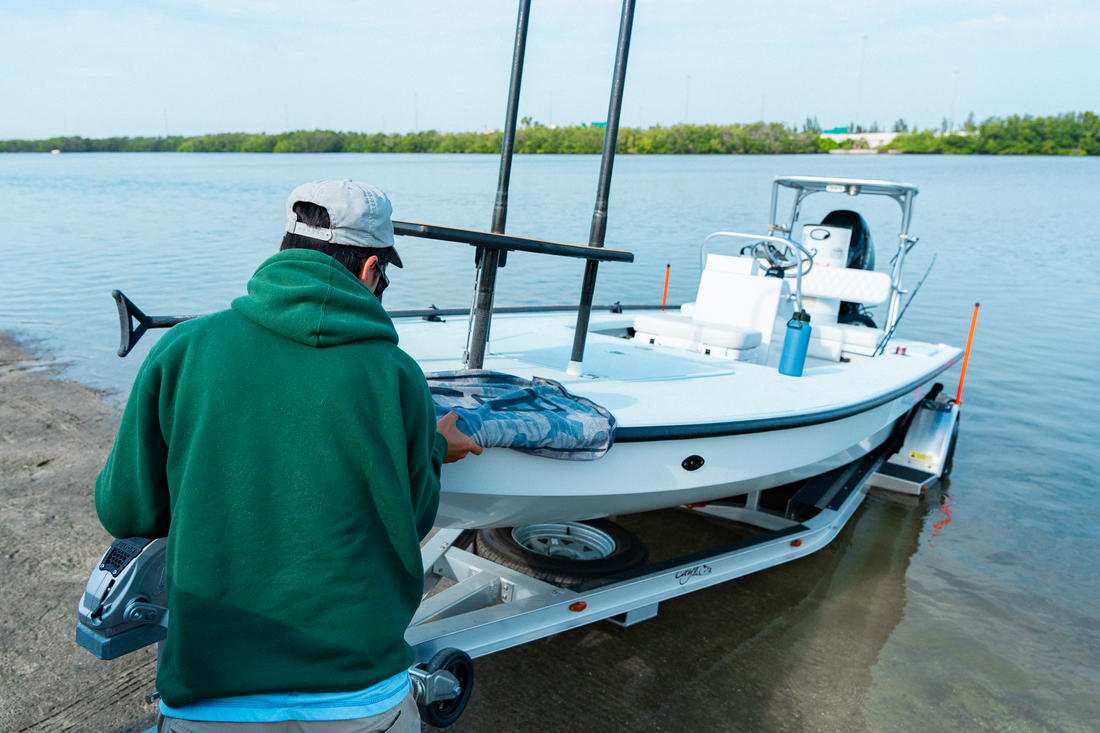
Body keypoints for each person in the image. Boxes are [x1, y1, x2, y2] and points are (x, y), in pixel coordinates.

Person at [95, 179, 482, 733]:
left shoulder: (182, 349)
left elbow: (126, 512)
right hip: (361, 695)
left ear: (285, 250)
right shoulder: (396, 374)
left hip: (211, 695)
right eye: (386, 278)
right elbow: (410, 520)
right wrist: (438, 447)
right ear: (372, 269)